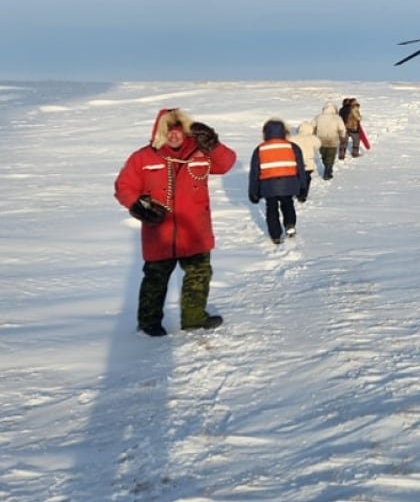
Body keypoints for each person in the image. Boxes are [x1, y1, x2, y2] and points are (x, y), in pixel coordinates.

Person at [115, 108, 237, 337]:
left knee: (198, 276)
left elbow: (226, 163)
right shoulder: (143, 157)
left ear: (186, 132)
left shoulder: (201, 152)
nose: (174, 136)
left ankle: (193, 319)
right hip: (159, 232)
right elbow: (123, 186)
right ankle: (149, 325)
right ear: (160, 132)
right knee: (155, 280)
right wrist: (136, 205)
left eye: (178, 131)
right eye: (168, 132)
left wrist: (213, 144)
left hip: (195, 230)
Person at [248, 119, 310, 245]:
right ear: (284, 131)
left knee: (271, 208)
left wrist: (253, 191)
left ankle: (275, 235)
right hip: (289, 183)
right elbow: (300, 169)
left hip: (268, 185)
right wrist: (303, 188)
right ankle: (290, 224)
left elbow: (254, 172)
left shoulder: (260, 149)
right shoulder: (292, 147)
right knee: (288, 204)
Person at [312, 98, 347, 179]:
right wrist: (342, 136)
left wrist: (312, 134)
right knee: (330, 156)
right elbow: (342, 128)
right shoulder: (337, 118)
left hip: (321, 139)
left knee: (324, 155)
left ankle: (327, 169)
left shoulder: (318, 117)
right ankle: (327, 171)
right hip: (332, 139)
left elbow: (312, 126)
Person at [290, 121, 322, 186]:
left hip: (296, 161)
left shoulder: (293, 138)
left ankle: (299, 190)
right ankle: (304, 192)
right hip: (308, 162)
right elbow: (318, 145)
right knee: (307, 176)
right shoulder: (313, 138)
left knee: (297, 175)